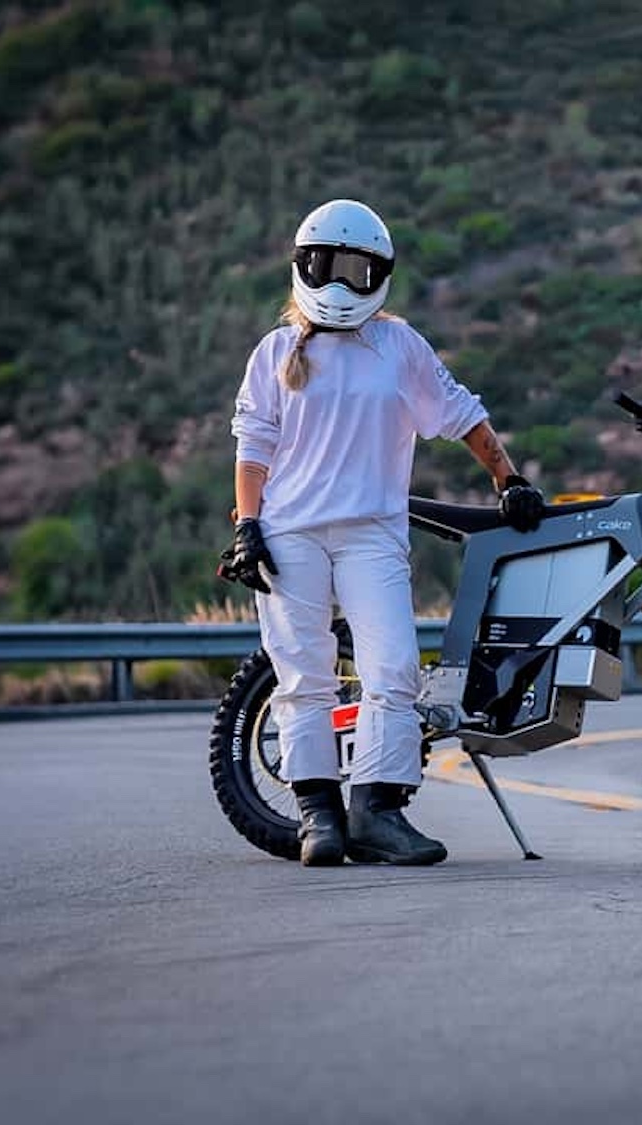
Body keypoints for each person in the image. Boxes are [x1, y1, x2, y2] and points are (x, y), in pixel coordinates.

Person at [218, 199, 545, 867]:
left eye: (356, 270)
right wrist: (248, 525)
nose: (339, 284)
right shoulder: (276, 352)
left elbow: (463, 417)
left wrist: (507, 479)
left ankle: (377, 811)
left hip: (371, 531)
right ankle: (319, 817)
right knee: (303, 673)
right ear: (302, 267)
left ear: (380, 275)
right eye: (326, 267)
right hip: (288, 534)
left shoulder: (400, 347)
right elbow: (252, 450)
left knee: (392, 665)